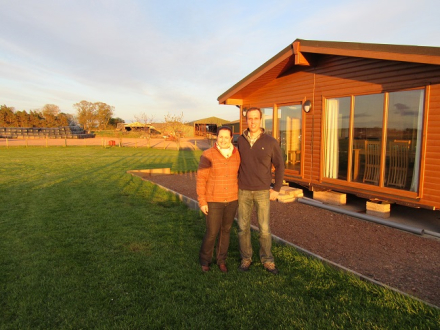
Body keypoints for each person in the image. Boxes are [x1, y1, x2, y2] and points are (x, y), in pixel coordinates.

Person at [237, 107, 285, 274]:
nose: (252, 121)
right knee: (243, 227)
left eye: (256, 118)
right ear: (246, 120)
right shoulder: (240, 141)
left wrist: (276, 189)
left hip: (262, 191)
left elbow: (280, 166)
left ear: (260, 119)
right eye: (250, 118)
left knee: (264, 229)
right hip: (243, 190)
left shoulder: (270, 142)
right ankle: (246, 258)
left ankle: (267, 260)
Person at [197, 126, 240, 273]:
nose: (223, 140)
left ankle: (221, 260)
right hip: (214, 200)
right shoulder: (208, 154)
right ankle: (205, 260)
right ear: (216, 138)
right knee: (212, 231)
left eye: (226, 137)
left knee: (226, 230)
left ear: (231, 138)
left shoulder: (237, 154)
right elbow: (201, 179)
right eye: (220, 137)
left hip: (232, 199)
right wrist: (202, 201)